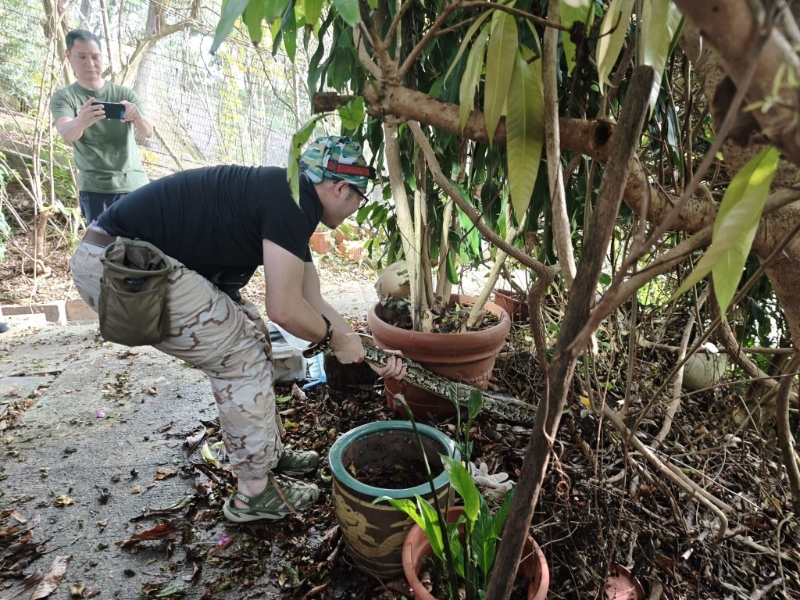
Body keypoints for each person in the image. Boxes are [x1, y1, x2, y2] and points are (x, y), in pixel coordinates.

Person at [69, 136, 406, 523]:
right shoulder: (292, 203)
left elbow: (311, 300)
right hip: (119, 266)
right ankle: (253, 494)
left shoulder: (290, 196)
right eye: (358, 197)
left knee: (253, 336)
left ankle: (268, 455)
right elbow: (284, 308)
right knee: (239, 351)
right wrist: (334, 340)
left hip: (133, 260)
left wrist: (364, 348)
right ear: (340, 187)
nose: (357, 208)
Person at [50, 29, 153, 222]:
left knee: (141, 248)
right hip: (95, 189)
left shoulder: (125, 94)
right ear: (68, 56)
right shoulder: (64, 97)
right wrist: (81, 121)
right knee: (102, 249)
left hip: (135, 185)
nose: (90, 64)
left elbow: (148, 132)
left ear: (102, 57)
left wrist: (137, 116)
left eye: (95, 57)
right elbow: (66, 133)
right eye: (82, 57)